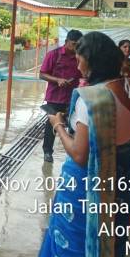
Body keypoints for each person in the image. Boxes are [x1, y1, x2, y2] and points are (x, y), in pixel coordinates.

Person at [37, 32, 130, 257]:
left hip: (85, 190)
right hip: (122, 184)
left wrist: (57, 124)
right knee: (113, 246)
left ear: (92, 60)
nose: (77, 65)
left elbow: (80, 154)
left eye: (80, 59)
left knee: (74, 251)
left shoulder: (91, 99)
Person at [39, 29, 83, 163]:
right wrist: (57, 80)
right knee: (51, 125)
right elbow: (42, 74)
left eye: (79, 45)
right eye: (74, 44)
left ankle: (73, 151)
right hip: (55, 96)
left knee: (74, 124)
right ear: (66, 42)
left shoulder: (80, 56)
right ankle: (47, 151)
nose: (76, 47)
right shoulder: (53, 55)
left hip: (74, 97)